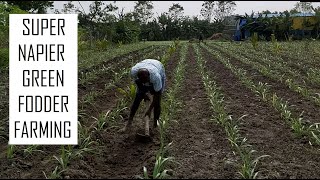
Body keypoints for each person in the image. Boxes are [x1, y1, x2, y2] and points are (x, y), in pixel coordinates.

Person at [119, 59, 166, 134]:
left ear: (148, 76)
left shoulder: (156, 77)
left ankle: (155, 125)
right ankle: (128, 124)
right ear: (138, 77)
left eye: (146, 80)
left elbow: (157, 95)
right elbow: (138, 83)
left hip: (158, 66)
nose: (145, 83)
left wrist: (149, 110)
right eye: (142, 81)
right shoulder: (133, 72)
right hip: (146, 64)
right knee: (137, 100)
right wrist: (144, 94)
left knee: (157, 103)